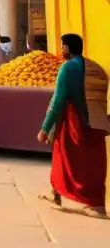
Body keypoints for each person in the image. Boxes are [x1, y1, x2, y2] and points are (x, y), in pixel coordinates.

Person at [38, 33, 109, 217]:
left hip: (74, 122)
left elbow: (59, 100)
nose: (61, 50)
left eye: (62, 46)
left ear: (66, 48)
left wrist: (45, 128)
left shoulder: (68, 68)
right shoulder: (96, 68)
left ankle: (63, 195)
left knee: (66, 159)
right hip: (96, 122)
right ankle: (96, 204)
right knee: (94, 162)